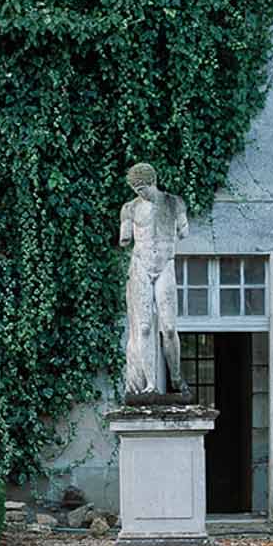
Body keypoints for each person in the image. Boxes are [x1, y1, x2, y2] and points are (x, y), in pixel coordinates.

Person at [119, 162, 187, 394]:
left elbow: (184, 231)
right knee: (144, 327)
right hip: (141, 266)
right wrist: (126, 232)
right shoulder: (130, 208)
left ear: (153, 182)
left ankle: (176, 379)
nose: (139, 192)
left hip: (165, 265)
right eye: (135, 188)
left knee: (168, 328)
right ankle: (149, 384)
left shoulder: (174, 203)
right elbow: (125, 239)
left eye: (142, 187)